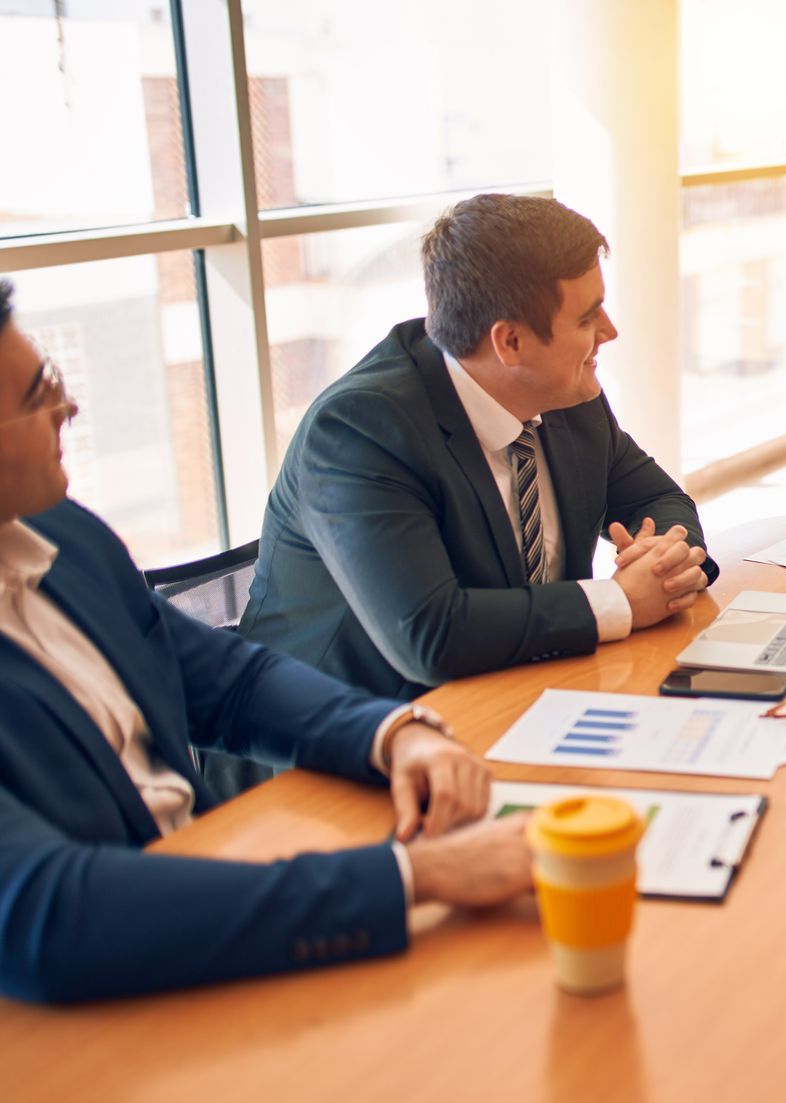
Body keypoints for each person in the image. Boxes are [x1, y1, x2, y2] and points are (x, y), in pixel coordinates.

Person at [0, 280, 534, 1004]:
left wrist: (394, 734)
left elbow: (231, 683)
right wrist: (415, 875)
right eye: (39, 395)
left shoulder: (62, 533)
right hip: (95, 1001)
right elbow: (49, 916)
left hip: (216, 899)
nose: (69, 409)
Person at [238, 193, 717, 701]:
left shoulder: (563, 394)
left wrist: (665, 559)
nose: (610, 331)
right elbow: (430, 634)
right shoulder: (361, 429)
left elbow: (658, 499)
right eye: (586, 319)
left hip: (525, 689)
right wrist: (620, 602)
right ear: (509, 343)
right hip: (349, 720)